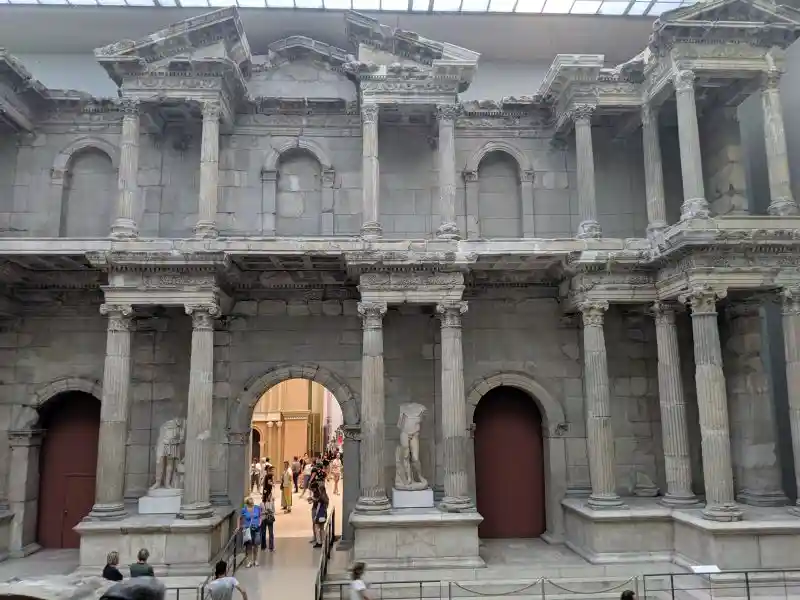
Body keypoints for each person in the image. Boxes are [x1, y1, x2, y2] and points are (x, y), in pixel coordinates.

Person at [240, 497, 261, 567]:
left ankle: (255, 560)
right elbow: (240, 517)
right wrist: (239, 526)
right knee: (248, 546)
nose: (252, 504)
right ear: (247, 504)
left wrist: (259, 523)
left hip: (256, 528)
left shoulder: (257, 508)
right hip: (248, 529)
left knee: (256, 545)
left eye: (252, 503)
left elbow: (260, 516)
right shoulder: (244, 509)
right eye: (250, 503)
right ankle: (249, 561)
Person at [311, 481, 329, 549]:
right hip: (324, 514)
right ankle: (324, 540)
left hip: (319, 515)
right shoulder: (326, 498)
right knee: (322, 528)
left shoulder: (320, 498)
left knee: (316, 528)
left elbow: (318, 508)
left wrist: (315, 516)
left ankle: (319, 542)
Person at [260, 486, 276, 553]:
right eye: (269, 495)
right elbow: (260, 513)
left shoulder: (271, 503)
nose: (270, 496)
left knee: (271, 533)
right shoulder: (261, 504)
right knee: (263, 533)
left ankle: (271, 547)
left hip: (269, 519)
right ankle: (263, 546)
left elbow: (274, 511)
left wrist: (270, 511)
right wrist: (264, 512)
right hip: (263, 519)